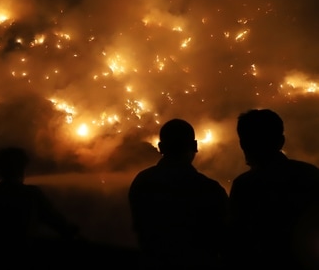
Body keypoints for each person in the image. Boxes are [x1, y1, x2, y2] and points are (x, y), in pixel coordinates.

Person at [0, 146, 79, 267]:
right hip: (21, 260)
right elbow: (57, 222)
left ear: (0, 169)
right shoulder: (32, 194)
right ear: (22, 169)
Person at [128, 119, 229, 270]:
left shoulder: (142, 182)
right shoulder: (209, 190)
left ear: (161, 147)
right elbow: (225, 238)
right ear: (194, 146)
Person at [228, 109, 319, 270]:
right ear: (281, 141)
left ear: (243, 144)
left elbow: (236, 244)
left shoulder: (245, 187)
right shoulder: (310, 175)